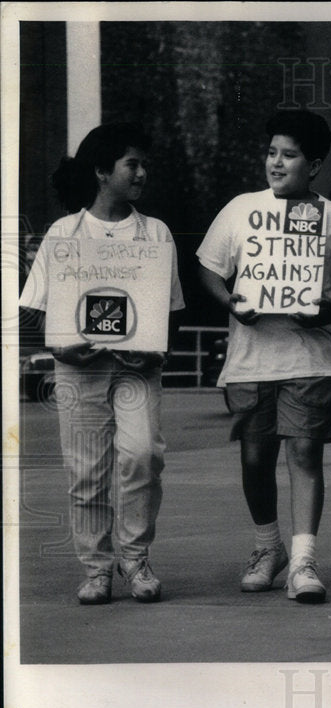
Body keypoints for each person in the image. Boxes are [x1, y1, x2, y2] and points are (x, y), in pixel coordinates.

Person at [198, 110, 331, 603]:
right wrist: (230, 301)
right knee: (256, 457)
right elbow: (211, 269)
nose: (276, 163)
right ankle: (267, 546)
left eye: (290, 155)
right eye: (272, 153)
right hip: (251, 357)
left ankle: (303, 560)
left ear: (314, 164)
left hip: (310, 356)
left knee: (304, 452)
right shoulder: (241, 209)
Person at [18, 122, 185, 604]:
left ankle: (135, 559)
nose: (141, 173)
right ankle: (96, 569)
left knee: (143, 457)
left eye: (144, 165)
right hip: (79, 370)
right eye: (132, 164)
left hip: (137, 370)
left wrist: (152, 347)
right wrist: (60, 348)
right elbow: (42, 309)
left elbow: (166, 311)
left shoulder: (155, 233)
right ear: (100, 170)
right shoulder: (63, 233)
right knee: (87, 471)